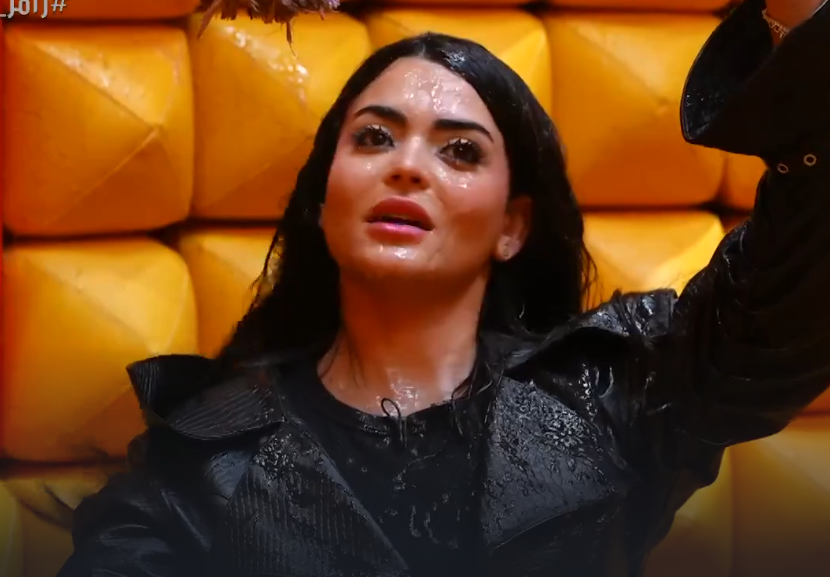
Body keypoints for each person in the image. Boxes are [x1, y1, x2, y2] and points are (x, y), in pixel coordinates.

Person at [57, 0, 830, 575]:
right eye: (374, 137)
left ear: (512, 226)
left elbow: (790, 291)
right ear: (324, 203)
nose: (407, 166)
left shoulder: (615, 389)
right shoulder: (198, 463)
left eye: (460, 151)